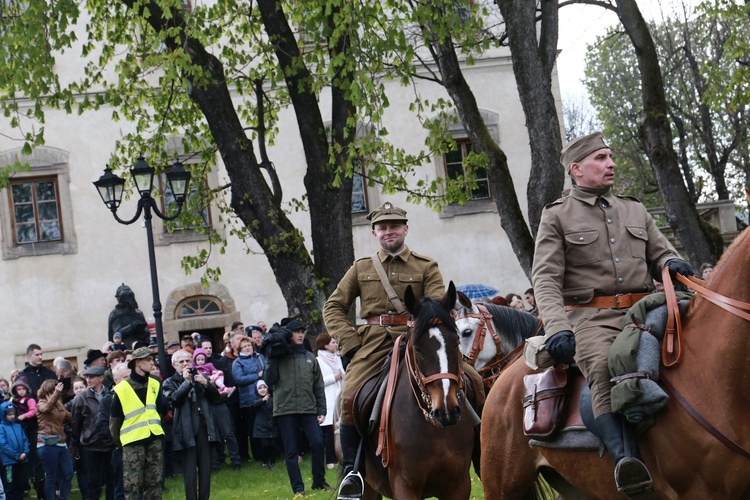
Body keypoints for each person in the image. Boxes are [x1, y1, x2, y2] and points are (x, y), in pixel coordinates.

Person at [533, 131, 693, 496]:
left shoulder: (634, 209)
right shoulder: (557, 216)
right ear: (576, 169)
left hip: (646, 308)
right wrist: (558, 327)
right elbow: (544, 278)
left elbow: (662, 255)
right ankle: (627, 462)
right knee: (605, 366)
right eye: (601, 158)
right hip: (592, 318)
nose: (611, 164)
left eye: (610, 156)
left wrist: (673, 263)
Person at [323, 201, 445, 498]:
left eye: (394, 226)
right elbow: (334, 306)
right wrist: (350, 344)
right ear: (375, 232)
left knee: (469, 382)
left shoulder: (425, 265)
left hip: (417, 341)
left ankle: (481, 455)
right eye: (383, 227)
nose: (389, 231)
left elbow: (438, 305)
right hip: (374, 342)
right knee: (349, 398)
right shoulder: (361, 268)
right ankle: (353, 473)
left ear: (406, 229)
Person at [263, 320, 330, 495]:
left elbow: (318, 386)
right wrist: (271, 358)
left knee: (317, 443)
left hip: (309, 408)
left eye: (302, 331)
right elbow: (269, 381)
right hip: (285, 409)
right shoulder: (278, 356)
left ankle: (319, 481)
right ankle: (298, 489)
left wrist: (321, 410)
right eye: (296, 332)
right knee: (291, 451)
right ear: (288, 334)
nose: (300, 334)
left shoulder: (309, 357)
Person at [162, 349, 221, 500]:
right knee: (189, 470)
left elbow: (216, 399)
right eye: (181, 362)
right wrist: (187, 382)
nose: (185, 364)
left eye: (187, 361)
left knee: (205, 469)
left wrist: (206, 383)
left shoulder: (201, 377)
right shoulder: (169, 382)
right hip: (185, 428)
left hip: (204, 426)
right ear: (174, 365)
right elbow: (174, 400)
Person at [110, 347, 167, 500]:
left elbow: (159, 410)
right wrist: (121, 442)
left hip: (154, 438)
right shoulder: (121, 388)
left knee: (155, 483)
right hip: (132, 443)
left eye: (152, 359)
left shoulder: (155, 383)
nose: (152, 363)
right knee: (132, 487)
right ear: (137, 362)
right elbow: (114, 422)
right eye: (148, 360)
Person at [197, 338, 241, 471]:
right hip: (206, 404)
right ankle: (216, 463)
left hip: (219, 402)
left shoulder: (218, 363)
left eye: (210, 348)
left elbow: (225, 379)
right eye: (205, 348)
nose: (208, 350)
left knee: (228, 433)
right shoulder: (196, 368)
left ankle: (236, 462)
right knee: (212, 435)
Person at [71, 365, 114, 500]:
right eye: (87, 377)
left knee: (111, 481)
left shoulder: (111, 395)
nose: (88, 380)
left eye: (92, 377)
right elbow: (75, 424)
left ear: (101, 378)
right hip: (90, 445)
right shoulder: (81, 398)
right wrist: (79, 441)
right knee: (93, 483)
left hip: (109, 443)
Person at [35, 380, 74, 500]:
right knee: (51, 476)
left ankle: (63, 498)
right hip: (47, 444)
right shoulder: (41, 403)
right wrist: (56, 393)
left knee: (68, 473)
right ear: (50, 390)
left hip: (61, 443)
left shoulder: (59, 404)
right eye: (56, 389)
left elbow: (69, 416)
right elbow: (47, 408)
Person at [231, 337, 265, 464]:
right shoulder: (238, 363)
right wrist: (257, 375)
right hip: (249, 399)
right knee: (253, 428)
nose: (247, 348)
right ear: (240, 349)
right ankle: (258, 454)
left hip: (264, 396)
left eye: (249, 345)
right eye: (244, 346)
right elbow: (238, 379)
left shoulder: (260, 357)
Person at [315, 333, 345, 469]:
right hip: (327, 398)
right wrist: (334, 377)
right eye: (333, 342)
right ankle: (330, 459)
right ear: (325, 345)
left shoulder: (337, 358)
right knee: (328, 431)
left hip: (339, 395)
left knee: (338, 428)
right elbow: (319, 381)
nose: (335, 344)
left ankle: (340, 455)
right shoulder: (319, 360)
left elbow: (343, 373)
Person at [0, 402, 30, 500]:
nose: (12, 416)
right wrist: (17, 455)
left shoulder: (18, 426)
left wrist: (25, 452)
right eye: (9, 415)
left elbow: (25, 440)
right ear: (4, 415)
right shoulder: (1, 428)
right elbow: (3, 445)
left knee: (20, 485)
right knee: (10, 486)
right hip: (9, 463)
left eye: (13, 414)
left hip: (22, 461)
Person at [108, 284, 150, 350]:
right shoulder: (115, 314)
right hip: (125, 349)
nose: (131, 298)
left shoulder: (138, 313)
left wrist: (143, 330)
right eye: (128, 296)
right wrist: (133, 326)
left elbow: (146, 332)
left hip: (140, 346)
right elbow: (117, 333)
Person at [251, 380, 277, 469]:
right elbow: (255, 405)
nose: (262, 390)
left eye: (264, 387)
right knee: (264, 445)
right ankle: (265, 462)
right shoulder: (256, 399)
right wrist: (263, 400)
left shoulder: (272, 398)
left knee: (273, 445)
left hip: (272, 425)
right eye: (260, 388)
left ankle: (273, 461)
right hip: (261, 427)